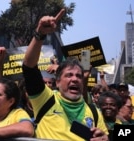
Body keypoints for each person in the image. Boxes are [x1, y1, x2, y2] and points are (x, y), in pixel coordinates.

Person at [22, 9, 108, 140]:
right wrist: (40, 34)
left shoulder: (95, 112)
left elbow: (103, 136)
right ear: (57, 82)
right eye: (69, 75)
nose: (75, 79)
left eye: (78, 76)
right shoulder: (45, 100)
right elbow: (29, 67)